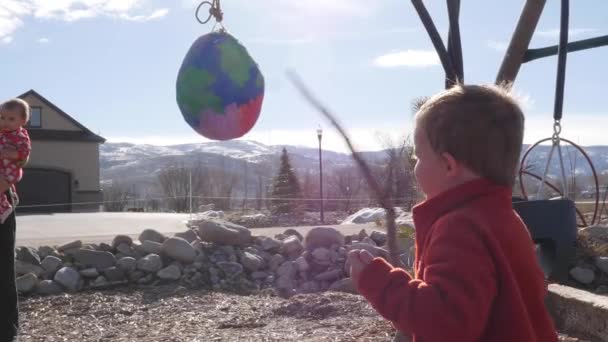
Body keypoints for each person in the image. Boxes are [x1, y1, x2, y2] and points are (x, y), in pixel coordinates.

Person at [348, 84, 558, 341]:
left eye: (418, 158)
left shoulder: (459, 228)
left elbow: (446, 321)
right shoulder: (505, 218)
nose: (415, 168)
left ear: (448, 165)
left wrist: (379, 283)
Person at [0, 99, 31, 222]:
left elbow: (25, 152)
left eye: (11, 119)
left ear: (23, 121)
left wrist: (14, 154)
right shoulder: (3, 133)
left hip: (9, 171)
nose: (5, 122)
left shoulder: (19, 135)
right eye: (2, 118)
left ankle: (6, 207)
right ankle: (6, 204)